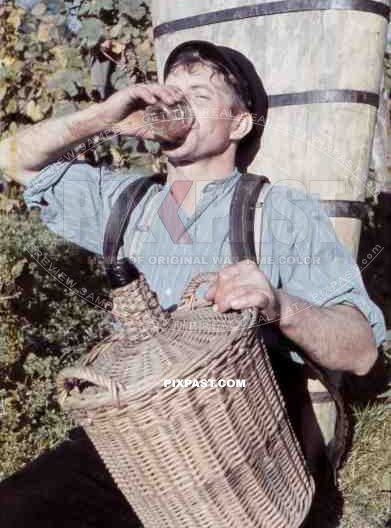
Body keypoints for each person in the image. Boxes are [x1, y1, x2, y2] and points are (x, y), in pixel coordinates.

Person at [0, 40, 386, 528]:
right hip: (138, 427)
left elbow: (361, 351)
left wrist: (280, 305)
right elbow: (14, 159)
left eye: (199, 96)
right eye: (170, 92)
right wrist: (103, 117)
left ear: (239, 124)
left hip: (243, 433)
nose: (173, 104)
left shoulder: (278, 211)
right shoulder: (126, 200)